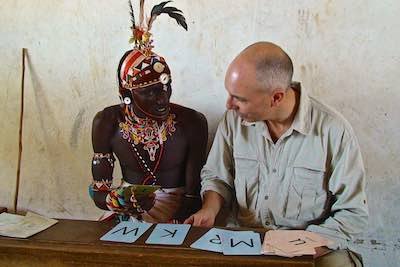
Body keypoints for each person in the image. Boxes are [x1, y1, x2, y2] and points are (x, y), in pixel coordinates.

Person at [185, 42, 368, 266]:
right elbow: (216, 176)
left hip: (312, 247)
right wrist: (209, 210)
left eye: (240, 98)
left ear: (276, 97)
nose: (229, 104)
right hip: (244, 241)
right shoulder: (234, 121)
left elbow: (353, 212)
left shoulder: (333, 132)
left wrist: (301, 247)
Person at [89, 0, 208, 223]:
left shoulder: (191, 122)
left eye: (166, 86)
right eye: (151, 92)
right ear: (126, 92)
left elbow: (193, 197)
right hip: (126, 212)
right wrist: (122, 201)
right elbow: (98, 192)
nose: (163, 98)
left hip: (178, 215)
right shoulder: (107, 122)